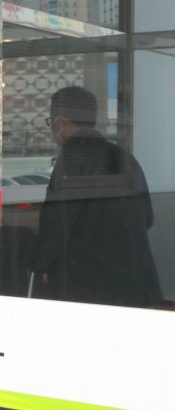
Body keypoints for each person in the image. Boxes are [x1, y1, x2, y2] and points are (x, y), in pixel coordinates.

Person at [27, 86, 162, 307]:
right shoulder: (123, 157)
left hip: (91, 288)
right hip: (135, 283)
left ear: (61, 121)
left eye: (51, 122)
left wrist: (37, 263)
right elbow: (147, 218)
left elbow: (57, 224)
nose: (52, 129)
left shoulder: (71, 159)